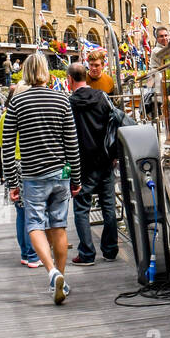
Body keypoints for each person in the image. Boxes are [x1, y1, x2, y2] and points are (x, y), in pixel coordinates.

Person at [4, 54, 82, 303]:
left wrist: (12, 183)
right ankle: (62, 279)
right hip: (61, 172)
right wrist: (75, 178)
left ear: (25, 73)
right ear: (47, 72)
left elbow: (7, 146)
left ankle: (51, 273)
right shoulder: (62, 100)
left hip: (33, 174)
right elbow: (72, 143)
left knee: (34, 224)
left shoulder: (17, 102)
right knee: (58, 226)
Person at [67, 62, 120, 265]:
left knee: (81, 208)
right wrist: (114, 153)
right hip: (105, 159)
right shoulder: (102, 98)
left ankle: (87, 254)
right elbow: (113, 125)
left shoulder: (70, 103)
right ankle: (110, 250)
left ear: (70, 79)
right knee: (108, 206)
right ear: (86, 76)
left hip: (82, 163)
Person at [0, 84, 41, 268]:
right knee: (31, 212)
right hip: (25, 162)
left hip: (11, 165)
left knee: (20, 212)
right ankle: (33, 254)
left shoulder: (3, 116)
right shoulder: (24, 113)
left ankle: (25, 252)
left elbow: (2, 142)